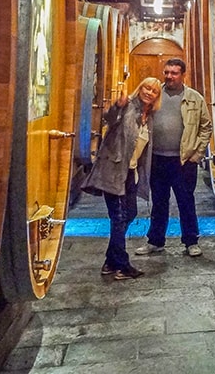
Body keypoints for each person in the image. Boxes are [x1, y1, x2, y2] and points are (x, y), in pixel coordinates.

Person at [82, 77, 162, 280]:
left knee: (130, 213)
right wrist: (117, 105)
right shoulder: (127, 107)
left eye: (153, 90)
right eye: (146, 87)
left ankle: (110, 260)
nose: (148, 92)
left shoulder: (149, 116)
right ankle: (122, 266)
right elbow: (109, 118)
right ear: (140, 87)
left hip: (130, 174)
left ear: (157, 96)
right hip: (113, 171)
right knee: (118, 218)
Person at [136, 58, 212, 258]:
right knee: (159, 201)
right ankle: (155, 241)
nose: (169, 76)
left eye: (174, 73)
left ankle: (191, 241)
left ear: (182, 75)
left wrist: (197, 154)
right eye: (167, 72)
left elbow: (206, 126)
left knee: (186, 200)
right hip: (157, 158)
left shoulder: (194, 98)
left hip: (183, 160)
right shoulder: (154, 94)